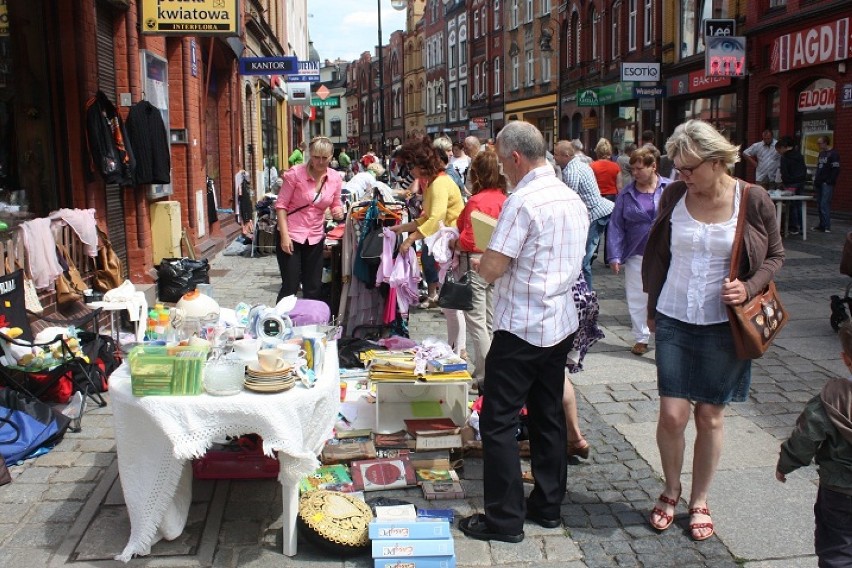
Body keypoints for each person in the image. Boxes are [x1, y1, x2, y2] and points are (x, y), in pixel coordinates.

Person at [642, 119, 784, 541]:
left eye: (689, 169)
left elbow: (775, 255)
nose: (682, 176)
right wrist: (650, 307)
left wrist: (749, 286)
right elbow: (661, 255)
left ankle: (699, 499)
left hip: (725, 325)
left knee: (710, 416)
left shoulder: (752, 199)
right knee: (672, 415)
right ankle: (670, 489)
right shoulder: (674, 194)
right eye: (678, 169)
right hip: (673, 316)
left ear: (719, 161)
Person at [458, 121, 588, 544]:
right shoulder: (572, 197)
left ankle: (505, 519)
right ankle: (547, 506)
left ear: (516, 157)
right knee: (548, 414)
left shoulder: (524, 200)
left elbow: (495, 267)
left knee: (498, 421)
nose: (503, 169)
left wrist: (482, 262)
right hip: (560, 321)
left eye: (502, 159)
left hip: (522, 327)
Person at [777, 320, 852, 567]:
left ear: (845, 359)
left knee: (837, 550)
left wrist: (786, 463)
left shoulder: (834, 399)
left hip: (840, 492)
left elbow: (806, 436)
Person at [389, 135, 464, 332]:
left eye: (411, 166)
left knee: (455, 306)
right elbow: (428, 217)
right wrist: (403, 228)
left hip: (453, 245)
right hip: (446, 243)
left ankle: (461, 349)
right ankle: (457, 347)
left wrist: (411, 239)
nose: (410, 171)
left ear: (421, 165)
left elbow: (435, 218)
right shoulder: (432, 183)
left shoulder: (439, 183)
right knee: (450, 306)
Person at [607, 147, 671, 356]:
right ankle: (641, 338)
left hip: (667, 252)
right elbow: (616, 225)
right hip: (637, 252)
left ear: (654, 166)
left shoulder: (670, 188)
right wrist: (614, 255)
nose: (635, 173)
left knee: (666, 295)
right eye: (632, 169)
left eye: (639, 169)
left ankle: (666, 337)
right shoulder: (627, 194)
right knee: (637, 296)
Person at [454, 148, 508, 386]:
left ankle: (488, 375)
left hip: (476, 261)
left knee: (475, 321)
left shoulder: (476, 201)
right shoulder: (506, 199)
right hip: (499, 263)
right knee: (489, 319)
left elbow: (468, 239)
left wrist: (451, 241)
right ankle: (485, 368)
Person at [274, 136, 344, 303]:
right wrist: (284, 236)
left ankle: (309, 324)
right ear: (310, 156)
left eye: (324, 158)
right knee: (290, 286)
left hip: (315, 235)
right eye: (316, 157)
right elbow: (281, 205)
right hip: (291, 233)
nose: (320, 162)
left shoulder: (335, 178)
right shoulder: (295, 174)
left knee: (313, 286)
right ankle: (280, 324)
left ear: (331, 157)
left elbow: (336, 202)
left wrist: (337, 211)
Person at [555, 139, 614, 290]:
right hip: (600, 210)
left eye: (556, 155)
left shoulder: (571, 170)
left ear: (566, 155)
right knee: (584, 257)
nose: (554, 158)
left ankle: (587, 295)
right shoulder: (581, 165)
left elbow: (571, 199)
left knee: (583, 260)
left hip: (595, 213)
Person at [775, 136, 808, 235]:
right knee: (800, 204)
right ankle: (802, 227)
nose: (778, 152)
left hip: (790, 184)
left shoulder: (785, 157)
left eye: (778, 150)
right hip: (800, 182)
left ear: (782, 148)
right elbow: (804, 169)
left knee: (791, 205)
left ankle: (793, 227)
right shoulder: (799, 155)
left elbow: (784, 172)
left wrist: (785, 182)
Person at [813, 135, 841, 233]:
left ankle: (827, 226)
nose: (818, 145)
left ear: (825, 143)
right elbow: (819, 167)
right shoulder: (821, 154)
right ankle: (821, 225)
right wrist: (816, 179)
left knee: (824, 204)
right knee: (819, 204)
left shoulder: (833, 154)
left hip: (827, 183)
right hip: (819, 182)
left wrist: (829, 180)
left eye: (820, 143)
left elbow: (836, 169)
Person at [591, 138, 621, 202]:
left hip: (596, 195)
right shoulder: (616, 166)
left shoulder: (592, 166)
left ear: (597, 151)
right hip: (612, 196)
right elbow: (619, 187)